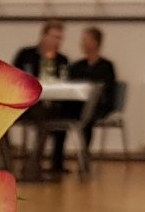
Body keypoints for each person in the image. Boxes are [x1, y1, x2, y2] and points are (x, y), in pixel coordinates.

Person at [49, 26, 118, 173]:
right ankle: (56, 161)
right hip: (78, 105)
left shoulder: (106, 66)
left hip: (98, 106)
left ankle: (84, 159)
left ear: (95, 43)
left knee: (88, 117)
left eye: (85, 40)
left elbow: (109, 91)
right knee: (61, 114)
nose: (82, 43)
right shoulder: (77, 66)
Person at [13, 20, 74, 174]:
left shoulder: (62, 61)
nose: (57, 41)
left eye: (60, 38)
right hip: (26, 103)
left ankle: (34, 164)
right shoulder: (26, 55)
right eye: (54, 37)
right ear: (44, 36)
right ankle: (6, 164)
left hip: (51, 105)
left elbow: (66, 85)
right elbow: (14, 78)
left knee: (47, 117)